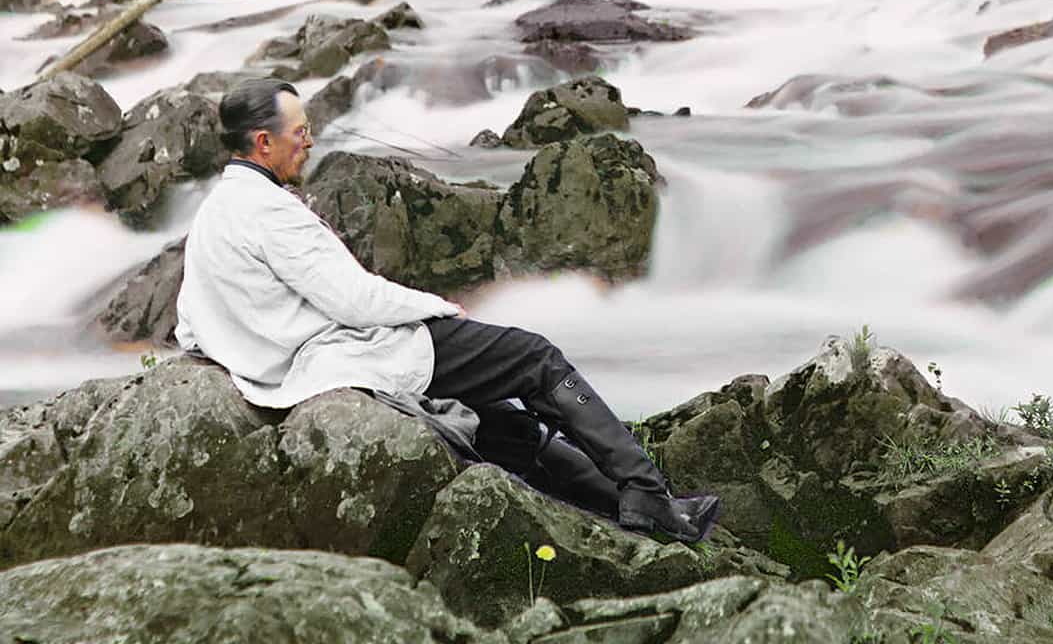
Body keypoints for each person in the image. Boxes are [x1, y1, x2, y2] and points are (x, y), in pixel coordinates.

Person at [174, 77, 717, 544]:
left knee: (500, 422)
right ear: (263, 141)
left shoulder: (214, 214)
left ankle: (645, 509)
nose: (310, 142)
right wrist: (435, 306)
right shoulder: (271, 212)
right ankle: (646, 489)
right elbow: (356, 300)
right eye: (301, 132)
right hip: (336, 356)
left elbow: (188, 324)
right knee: (536, 359)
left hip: (293, 366)